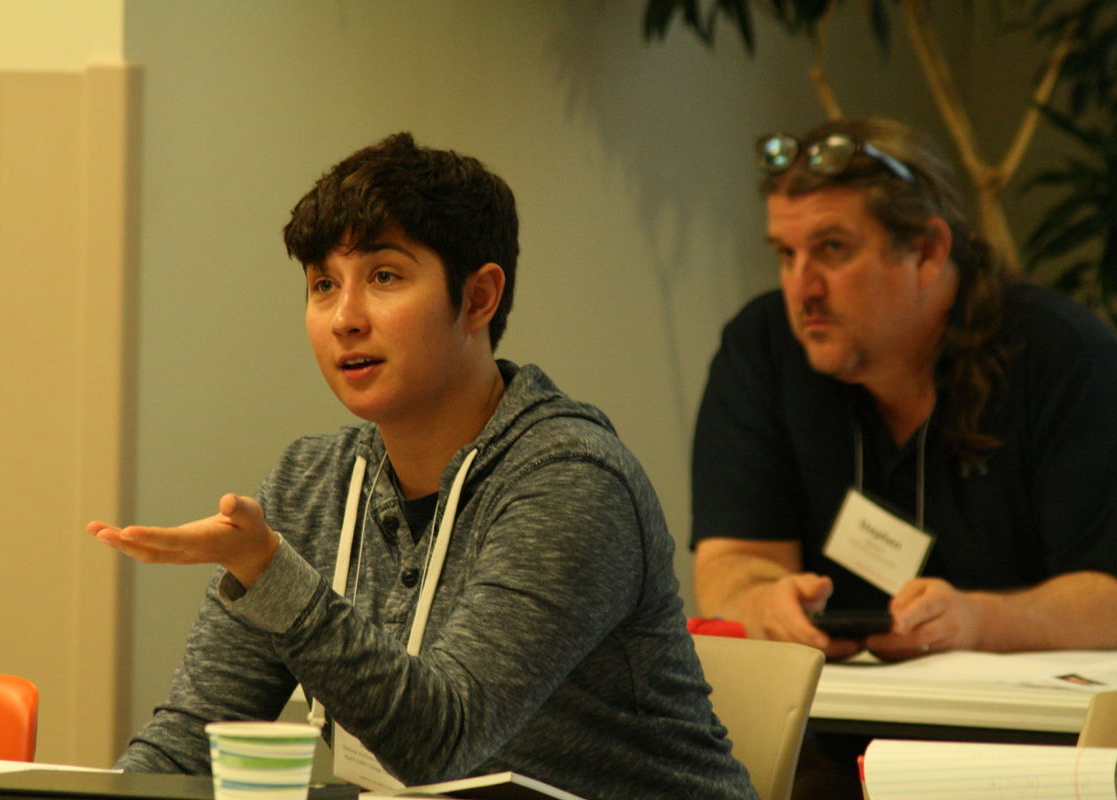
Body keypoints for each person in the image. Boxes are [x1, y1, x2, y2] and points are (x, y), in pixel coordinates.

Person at [88, 132, 756, 800]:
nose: (344, 318)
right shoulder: (310, 486)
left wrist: (271, 574)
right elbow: (191, 740)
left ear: (479, 298)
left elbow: (443, 742)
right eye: (324, 284)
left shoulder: (572, 481)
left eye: (384, 276)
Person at [691, 116, 1117, 664]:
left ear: (926, 252)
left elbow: (1108, 596)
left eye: (832, 249)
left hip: (1017, 711)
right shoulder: (764, 346)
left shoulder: (1065, 356)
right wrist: (766, 605)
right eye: (786, 254)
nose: (802, 289)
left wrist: (977, 621)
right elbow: (733, 561)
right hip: (829, 704)